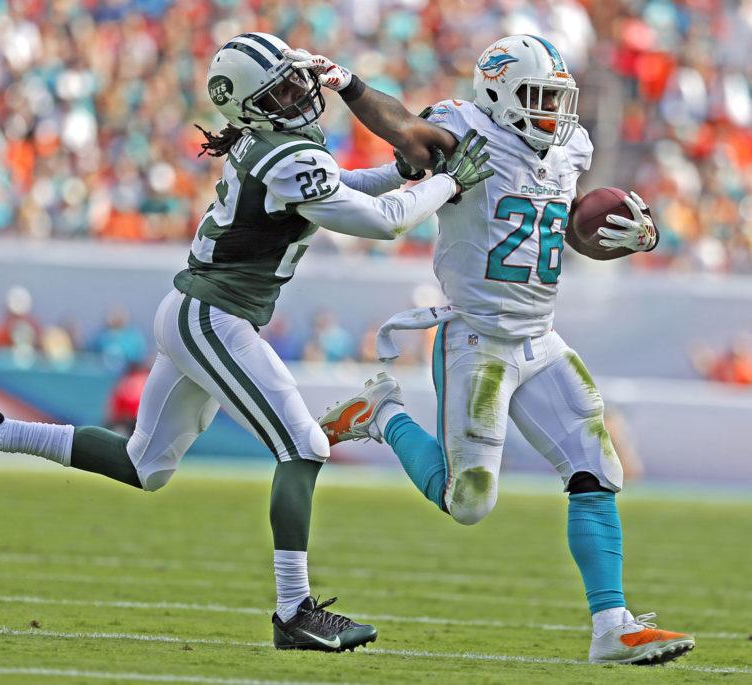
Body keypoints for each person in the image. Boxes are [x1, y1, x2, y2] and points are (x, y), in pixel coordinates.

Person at [0, 32, 493, 653]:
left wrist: (405, 172)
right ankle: (294, 610)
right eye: (285, 88)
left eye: (298, 81)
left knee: (146, 466)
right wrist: (444, 184)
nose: (302, 94)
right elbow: (379, 223)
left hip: (197, 311)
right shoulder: (281, 154)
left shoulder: (276, 147)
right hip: (212, 316)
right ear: (254, 106)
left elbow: (345, 188)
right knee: (304, 446)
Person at [297, 35, 694, 665]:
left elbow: (556, 235)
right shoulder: (463, 130)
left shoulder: (570, 149)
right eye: (537, 98)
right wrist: (347, 83)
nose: (552, 113)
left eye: (558, 99)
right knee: (469, 503)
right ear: (497, 94)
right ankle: (383, 415)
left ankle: (611, 625)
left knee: (598, 470)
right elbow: (404, 128)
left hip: (541, 335)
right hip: (477, 339)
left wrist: (627, 238)